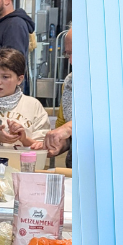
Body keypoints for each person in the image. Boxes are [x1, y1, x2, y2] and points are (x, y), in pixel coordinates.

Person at [44, 28, 73, 159]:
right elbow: (63, 128)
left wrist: (71, 127)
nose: (71, 61)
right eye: (68, 54)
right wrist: (58, 145)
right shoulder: (69, 82)